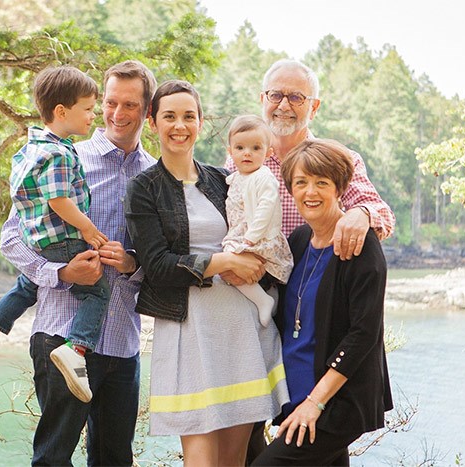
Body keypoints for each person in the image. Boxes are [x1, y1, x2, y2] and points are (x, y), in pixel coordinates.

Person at [0, 60, 157, 466]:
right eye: (109, 103)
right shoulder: (63, 155)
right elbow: (12, 238)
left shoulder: (157, 177)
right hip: (60, 337)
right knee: (53, 459)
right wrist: (61, 273)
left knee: (114, 460)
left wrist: (131, 265)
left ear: (148, 110)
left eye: (131, 106)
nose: (117, 114)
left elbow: (158, 262)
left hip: (122, 344)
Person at [124, 80, 290, 466]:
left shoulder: (223, 178)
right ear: (153, 122)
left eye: (188, 116)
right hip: (188, 329)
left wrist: (259, 262)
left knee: (235, 459)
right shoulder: (143, 188)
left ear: (200, 122)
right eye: (169, 116)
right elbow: (158, 265)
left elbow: (259, 227)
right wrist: (226, 262)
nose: (179, 125)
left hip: (240, 329)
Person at [0, 66, 108, 403]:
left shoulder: (31, 148)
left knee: (27, 285)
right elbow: (58, 200)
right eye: (87, 109)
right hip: (64, 240)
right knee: (97, 293)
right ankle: (76, 350)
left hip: (38, 241)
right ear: (62, 111)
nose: (93, 115)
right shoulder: (58, 152)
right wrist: (87, 228)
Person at [251, 139, 393, 466]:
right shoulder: (299, 240)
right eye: (301, 182)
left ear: (340, 188)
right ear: (290, 189)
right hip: (297, 395)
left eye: (321, 183)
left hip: (335, 403)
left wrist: (314, 403)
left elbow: (363, 334)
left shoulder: (361, 247)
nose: (310, 192)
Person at [224, 59, 395, 261]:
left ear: (314, 107)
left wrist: (361, 213)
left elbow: (381, 214)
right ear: (263, 100)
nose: (284, 105)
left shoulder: (336, 159)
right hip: (255, 275)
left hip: (312, 277)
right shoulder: (240, 161)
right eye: (276, 95)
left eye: (296, 97)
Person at [221, 114, 293, 327]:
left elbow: (265, 211)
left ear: (268, 153)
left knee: (230, 259)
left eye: (255, 148)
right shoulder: (235, 178)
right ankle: (260, 301)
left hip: (260, 238)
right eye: (240, 148)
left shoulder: (264, 177)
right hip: (241, 235)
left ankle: (264, 301)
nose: (247, 154)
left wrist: (250, 239)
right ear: (230, 152)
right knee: (229, 267)